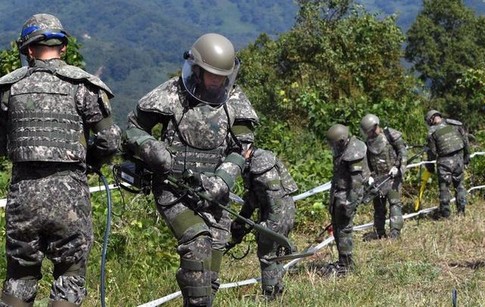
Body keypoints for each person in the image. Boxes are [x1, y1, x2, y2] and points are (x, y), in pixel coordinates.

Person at [122, 33, 259, 306]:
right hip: (174, 191)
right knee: (197, 243)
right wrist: (152, 149)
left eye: (222, 77)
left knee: (209, 278)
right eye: (211, 75)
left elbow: (244, 148)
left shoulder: (234, 102)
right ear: (196, 70)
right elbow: (134, 128)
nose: (217, 82)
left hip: (215, 195)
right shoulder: (171, 95)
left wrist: (222, 180)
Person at [0, 13, 121, 307]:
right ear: (63, 47)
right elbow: (111, 140)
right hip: (70, 197)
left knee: (20, 276)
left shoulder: (8, 89)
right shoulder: (83, 87)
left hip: (24, 195)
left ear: (28, 50)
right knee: (69, 276)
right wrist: (90, 162)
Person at [229, 147, 297, 300]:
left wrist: (269, 225)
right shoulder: (251, 164)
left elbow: (275, 199)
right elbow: (253, 197)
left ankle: (270, 294)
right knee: (273, 253)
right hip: (275, 211)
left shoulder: (262, 165)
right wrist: (241, 221)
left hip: (278, 213)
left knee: (267, 253)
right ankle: (278, 290)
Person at [323, 124, 370, 276]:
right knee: (338, 229)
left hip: (346, 196)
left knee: (343, 230)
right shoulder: (343, 148)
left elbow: (357, 183)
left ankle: (347, 264)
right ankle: (343, 261)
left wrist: (349, 203)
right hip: (338, 193)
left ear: (342, 140)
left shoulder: (353, 152)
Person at [360, 114, 407, 240]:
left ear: (375, 127)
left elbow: (402, 152)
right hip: (378, 180)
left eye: (369, 131)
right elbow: (365, 162)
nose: (368, 134)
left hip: (392, 177)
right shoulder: (367, 143)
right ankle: (379, 232)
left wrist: (398, 168)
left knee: (394, 203)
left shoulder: (390, 135)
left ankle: (395, 232)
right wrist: (368, 176)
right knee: (379, 207)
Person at [424, 110, 470, 218]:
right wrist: (467, 156)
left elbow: (432, 152)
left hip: (444, 161)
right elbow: (465, 140)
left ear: (431, 119)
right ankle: (461, 212)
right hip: (459, 159)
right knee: (459, 186)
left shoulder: (432, 132)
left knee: (444, 188)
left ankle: (446, 215)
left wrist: (430, 167)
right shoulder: (454, 124)